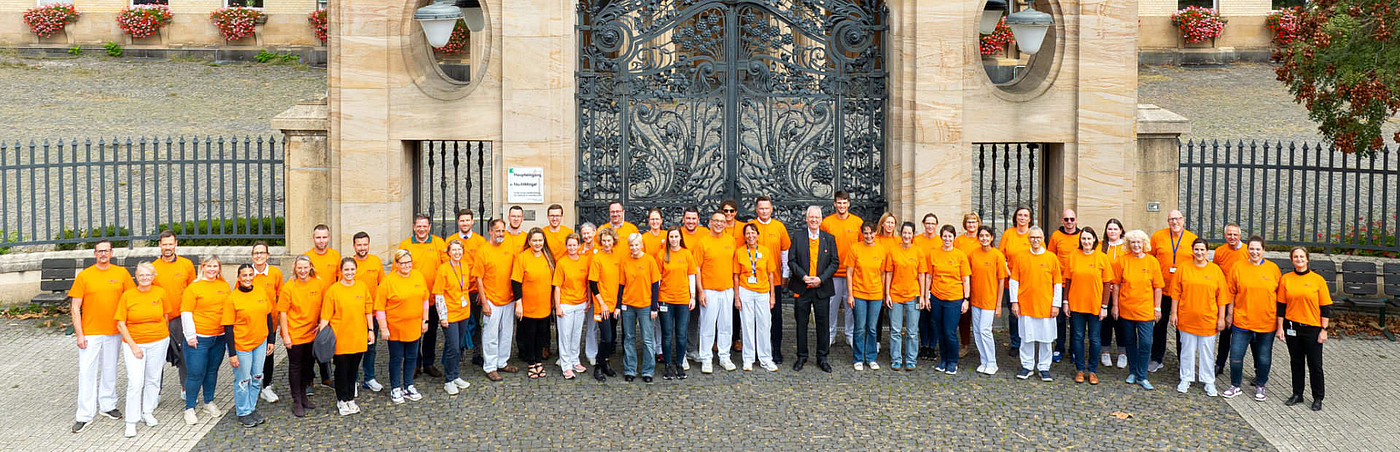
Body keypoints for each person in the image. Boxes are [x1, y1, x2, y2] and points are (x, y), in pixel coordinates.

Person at [69, 240, 136, 434]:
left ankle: (107, 405)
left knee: (110, 369)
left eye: (106, 251)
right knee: (86, 372)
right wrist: (79, 333)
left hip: (114, 331)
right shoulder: (84, 276)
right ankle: (84, 414)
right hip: (90, 332)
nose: (103, 254)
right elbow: (75, 307)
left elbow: (130, 300)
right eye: (100, 251)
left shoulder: (121, 273)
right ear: (94, 253)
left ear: (112, 252)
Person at [1222, 236, 1281, 401]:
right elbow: (1231, 293)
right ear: (1247, 250)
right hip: (1242, 321)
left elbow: (1279, 296)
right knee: (1235, 357)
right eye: (1251, 249)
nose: (1254, 252)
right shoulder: (1238, 267)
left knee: (1263, 358)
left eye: (1258, 249)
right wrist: (1229, 314)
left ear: (1263, 250)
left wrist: (1279, 322)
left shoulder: (1273, 269)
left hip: (1266, 322)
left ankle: (1261, 385)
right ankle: (1235, 385)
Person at [114, 262, 168, 438]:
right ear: (136, 277)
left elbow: (165, 316)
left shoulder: (160, 293)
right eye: (141, 275)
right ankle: (131, 421)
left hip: (159, 341)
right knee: (135, 382)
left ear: (153, 277)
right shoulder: (128, 296)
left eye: (148, 275)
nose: (145, 278)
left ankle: (147, 411)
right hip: (134, 344)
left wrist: (160, 336)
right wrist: (134, 346)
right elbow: (120, 323)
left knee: (153, 379)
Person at [1169, 238, 1228, 397]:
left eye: (1202, 250)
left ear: (1207, 251)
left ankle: (1208, 381)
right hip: (1187, 318)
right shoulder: (1183, 268)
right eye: (1196, 249)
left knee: (1207, 351)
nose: (1199, 253)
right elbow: (1175, 293)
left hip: (1208, 319)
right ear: (1192, 250)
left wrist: (1221, 318)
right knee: (1187, 351)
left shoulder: (1215, 270)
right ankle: (1186, 378)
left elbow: (1222, 297)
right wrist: (1174, 313)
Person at [1278, 247, 1332, 411]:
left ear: (1307, 259)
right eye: (1296, 257)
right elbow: (1281, 306)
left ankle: (1317, 397)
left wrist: (1324, 329)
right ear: (1291, 259)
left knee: (1315, 364)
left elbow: (1325, 308)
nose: (1299, 259)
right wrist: (1280, 328)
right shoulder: (1286, 279)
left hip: (1313, 328)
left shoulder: (1318, 280)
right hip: (1292, 327)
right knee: (1296, 362)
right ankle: (1297, 394)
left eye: (1302, 256)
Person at [320, 258, 375, 415]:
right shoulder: (333, 291)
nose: (349, 273)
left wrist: (370, 330)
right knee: (341, 371)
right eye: (346, 270)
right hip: (341, 338)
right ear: (341, 271)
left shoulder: (362, 287)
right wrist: (322, 339)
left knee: (353, 370)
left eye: (352, 269)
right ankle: (341, 400)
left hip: (358, 336)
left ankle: (350, 398)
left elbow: (367, 310)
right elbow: (326, 316)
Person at [221, 264, 274, 428]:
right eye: (244, 275)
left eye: (250, 275)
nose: (248, 278)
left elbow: (268, 316)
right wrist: (232, 353)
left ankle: (251, 408)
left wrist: (271, 339)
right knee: (243, 380)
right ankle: (243, 411)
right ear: (238, 278)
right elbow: (228, 327)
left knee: (257, 377)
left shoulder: (260, 292)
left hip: (260, 342)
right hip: (241, 346)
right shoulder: (232, 298)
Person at [179, 255, 230, 425]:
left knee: (212, 371)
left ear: (219, 268)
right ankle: (190, 407)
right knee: (195, 373)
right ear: (202, 267)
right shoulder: (194, 288)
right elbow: (186, 312)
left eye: (215, 266)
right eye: (208, 266)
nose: (212, 269)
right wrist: (190, 336)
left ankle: (209, 402)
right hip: (199, 339)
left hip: (219, 337)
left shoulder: (224, 285)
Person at [375, 249, 430, 404]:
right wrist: (384, 328)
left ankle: (408, 385)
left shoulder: (418, 275)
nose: (406, 266)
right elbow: (380, 307)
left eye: (409, 262)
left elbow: (424, 299)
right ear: (396, 264)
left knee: (412, 357)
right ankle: (395, 387)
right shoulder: (388, 281)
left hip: (414, 325)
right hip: (395, 328)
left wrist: (425, 320)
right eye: (403, 263)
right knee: (396, 358)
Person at [788, 206, 838, 373]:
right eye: (811, 217)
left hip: (821, 288)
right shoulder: (798, 237)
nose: (814, 220)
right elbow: (792, 260)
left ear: (821, 219)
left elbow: (834, 262)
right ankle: (802, 356)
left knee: (823, 324)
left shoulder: (829, 239)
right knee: (801, 324)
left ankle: (822, 357)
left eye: (817, 217)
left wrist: (821, 279)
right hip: (802, 287)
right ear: (806, 219)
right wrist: (803, 276)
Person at [1113, 230, 1165, 390]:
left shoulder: (1152, 262)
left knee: (1145, 342)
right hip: (1126, 309)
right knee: (1129, 342)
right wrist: (1115, 305)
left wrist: (1157, 308)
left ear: (1144, 244)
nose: (1136, 245)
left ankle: (1142, 375)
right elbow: (1116, 285)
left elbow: (1158, 287)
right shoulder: (1122, 261)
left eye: (1139, 242)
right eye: (1133, 242)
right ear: (1128, 244)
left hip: (1146, 311)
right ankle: (1133, 371)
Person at [1010, 227, 1062, 382]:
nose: (1035, 240)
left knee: (1046, 339)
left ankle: (1044, 367)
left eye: (1038, 237)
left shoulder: (1051, 258)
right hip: (1026, 305)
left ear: (1043, 238)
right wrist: (1014, 302)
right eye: (1032, 237)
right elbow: (1014, 282)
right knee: (1026, 338)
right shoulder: (1020, 257)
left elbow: (1057, 283)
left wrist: (1056, 304)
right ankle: (1027, 366)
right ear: (1028, 239)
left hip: (1046, 305)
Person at [400, 214, 447, 380]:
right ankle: (414, 364)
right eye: (418, 226)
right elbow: (397, 270)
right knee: (414, 333)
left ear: (429, 227)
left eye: (424, 226)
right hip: (413, 299)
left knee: (431, 332)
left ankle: (428, 363)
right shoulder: (406, 244)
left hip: (433, 298)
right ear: (414, 227)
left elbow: (445, 267)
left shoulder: (438, 243)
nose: (421, 229)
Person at [1149, 210, 1197, 372]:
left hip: (1183, 291)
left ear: (1183, 220)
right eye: (1171, 219)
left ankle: (1182, 361)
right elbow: (1151, 259)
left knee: (1181, 326)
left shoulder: (1191, 239)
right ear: (1167, 221)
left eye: (1177, 219)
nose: (1174, 222)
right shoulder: (1158, 236)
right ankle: (1157, 358)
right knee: (1159, 324)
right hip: (1161, 290)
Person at [150, 231, 196, 403]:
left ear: (176, 244)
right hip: (159, 319)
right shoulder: (153, 267)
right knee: (157, 356)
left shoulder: (186, 265)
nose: (168, 247)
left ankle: (185, 388)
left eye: (171, 244)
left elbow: (193, 291)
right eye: (164, 244)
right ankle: (156, 392)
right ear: (159, 245)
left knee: (185, 354)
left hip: (180, 318)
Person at [1064, 227, 1113, 385]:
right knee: (1077, 338)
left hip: (1095, 305)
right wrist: (1065, 302)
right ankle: (1079, 369)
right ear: (1080, 241)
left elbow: (1107, 284)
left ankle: (1092, 370)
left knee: (1094, 338)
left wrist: (1104, 306)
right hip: (1076, 304)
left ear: (1094, 240)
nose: (1086, 242)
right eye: (1083, 239)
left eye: (1089, 239)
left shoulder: (1101, 258)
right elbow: (1068, 281)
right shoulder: (1073, 256)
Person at [277, 255, 324, 417]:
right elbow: (282, 313)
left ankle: (304, 395)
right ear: (295, 269)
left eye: (305, 267)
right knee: (295, 367)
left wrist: (320, 324)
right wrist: (286, 336)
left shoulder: (318, 283)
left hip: (312, 334)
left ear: (310, 267)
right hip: (295, 334)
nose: (303, 271)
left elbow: (323, 305)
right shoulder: (289, 287)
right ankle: (296, 400)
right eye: (299, 268)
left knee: (308, 367)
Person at [748, 197, 792, 365]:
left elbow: (785, 252)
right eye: (761, 208)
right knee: (755, 319)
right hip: (754, 283)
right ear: (756, 210)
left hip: (774, 281)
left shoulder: (779, 227)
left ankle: (776, 349)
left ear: (772, 209)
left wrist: (785, 275)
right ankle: (757, 351)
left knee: (775, 318)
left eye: (767, 208)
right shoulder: (751, 227)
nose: (764, 211)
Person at [695, 210, 738, 374]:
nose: (719, 224)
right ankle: (706, 358)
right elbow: (697, 268)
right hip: (709, 290)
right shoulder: (703, 242)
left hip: (727, 289)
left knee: (726, 325)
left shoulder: (731, 241)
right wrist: (700, 291)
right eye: (716, 221)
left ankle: (724, 356)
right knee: (707, 326)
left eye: (722, 221)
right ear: (710, 222)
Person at [478, 219, 519, 381]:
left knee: (507, 334)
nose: (500, 234)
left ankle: (503, 361)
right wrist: (484, 302)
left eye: (503, 231)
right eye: (497, 231)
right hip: (492, 301)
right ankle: (490, 366)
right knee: (491, 335)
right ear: (490, 231)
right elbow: (479, 279)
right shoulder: (483, 250)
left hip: (508, 299)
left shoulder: (509, 247)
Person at [616, 233, 662, 381]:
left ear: (641, 245)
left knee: (647, 339)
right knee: (629, 338)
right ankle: (630, 369)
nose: (634, 248)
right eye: (631, 245)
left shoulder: (649, 260)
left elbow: (655, 284)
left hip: (645, 305)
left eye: (637, 245)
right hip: (628, 305)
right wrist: (619, 305)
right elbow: (621, 285)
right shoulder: (625, 261)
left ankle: (648, 370)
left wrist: (654, 306)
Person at [734, 224, 779, 372]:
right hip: (746, 290)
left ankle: (766, 358)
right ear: (744, 236)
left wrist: (772, 296)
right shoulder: (740, 252)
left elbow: (771, 274)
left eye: (753, 233)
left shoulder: (765, 251)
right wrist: (737, 297)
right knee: (747, 325)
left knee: (765, 325)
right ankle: (748, 358)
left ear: (758, 235)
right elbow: (736, 276)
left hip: (763, 291)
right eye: (747, 233)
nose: (750, 236)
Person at [821, 190, 863, 347]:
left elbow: (861, 246)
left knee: (850, 305)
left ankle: (849, 333)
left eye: (844, 203)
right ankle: (831, 334)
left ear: (849, 204)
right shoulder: (827, 223)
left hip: (852, 273)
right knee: (832, 305)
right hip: (833, 273)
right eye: (839, 202)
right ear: (834, 204)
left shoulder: (857, 222)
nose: (842, 205)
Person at [886, 222, 930, 372]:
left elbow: (922, 275)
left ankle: (911, 360)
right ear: (900, 233)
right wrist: (887, 294)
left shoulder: (918, 252)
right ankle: (896, 359)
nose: (906, 236)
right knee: (895, 330)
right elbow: (889, 273)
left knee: (912, 330)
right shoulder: (893, 251)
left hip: (915, 295)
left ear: (913, 235)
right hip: (896, 295)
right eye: (904, 233)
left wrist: (923, 296)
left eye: (909, 233)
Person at [926, 224, 970, 374]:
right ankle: (943, 359)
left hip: (954, 298)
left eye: (950, 236)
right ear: (941, 237)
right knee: (939, 330)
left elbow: (965, 279)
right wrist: (927, 295)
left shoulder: (960, 255)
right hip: (937, 297)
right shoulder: (934, 253)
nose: (947, 239)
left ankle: (953, 361)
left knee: (950, 331)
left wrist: (966, 299)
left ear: (954, 238)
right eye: (944, 236)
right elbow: (929, 276)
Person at [513, 228, 557, 379]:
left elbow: (553, 283)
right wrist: (518, 304)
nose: (538, 243)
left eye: (540, 240)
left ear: (544, 241)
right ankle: (531, 363)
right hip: (528, 305)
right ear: (529, 242)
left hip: (544, 305)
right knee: (529, 336)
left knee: (542, 335)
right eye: (535, 240)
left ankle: (539, 361)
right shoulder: (522, 257)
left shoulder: (548, 257)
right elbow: (516, 282)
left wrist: (552, 301)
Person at [433, 240, 475, 393]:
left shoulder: (464, 266)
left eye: (459, 250)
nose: (457, 253)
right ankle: (449, 379)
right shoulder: (443, 269)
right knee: (453, 347)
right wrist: (442, 316)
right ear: (449, 252)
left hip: (463, 313)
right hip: (449, 315)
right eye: (454, 250)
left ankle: (456, 374)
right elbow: (439, 294)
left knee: (459, 346)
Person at [447, 209, 487, 368]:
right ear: (458, 222)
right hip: (456, 291)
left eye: (467, 220)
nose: (465, 223)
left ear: (472, 222)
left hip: (474, 290)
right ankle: (459, 351)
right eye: (462, 220)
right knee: (458, 323)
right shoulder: (451, 240)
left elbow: (484, 267)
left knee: (477, 323)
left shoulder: (480, 241)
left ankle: (477, 353)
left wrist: (481, 290)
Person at [844, 222, 886, 371]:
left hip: (875, 294)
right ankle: (858, 357)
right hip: (859, 293)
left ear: (876, 233)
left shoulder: (881, 250)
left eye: (871, 233)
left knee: (872, 328)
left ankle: (871, 357)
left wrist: (883, 293)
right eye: (866, 233)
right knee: (860, 327)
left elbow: (882, 273)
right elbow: (849, 273)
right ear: (862, 234)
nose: (869, 236)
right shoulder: (855, 248)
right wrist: (850, 295)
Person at [657, 227, 698, 379]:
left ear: (680, 238)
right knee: (667, 334)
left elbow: (691, 275)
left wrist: (692, 296)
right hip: (666, 299)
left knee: (681, 334)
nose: (674, 239)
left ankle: (679, 364)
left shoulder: (686, 254)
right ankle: (668, 365)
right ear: (668, 239)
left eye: (676, 236)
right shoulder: (662, 254)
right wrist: (656, 299)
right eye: (671, 237)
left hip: (682, 300)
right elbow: (658, 278)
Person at [967, 225, 1008, 375]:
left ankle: (992, 362)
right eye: (981, 236)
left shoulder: (997, 255)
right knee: (977, 331)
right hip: (976, 299)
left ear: (991, 238)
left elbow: (1002, 281)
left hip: (990, 300)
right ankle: (984, 360)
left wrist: (998, 305)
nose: (984, 238)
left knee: (985, 331)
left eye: (987, 236)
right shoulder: (973, 254)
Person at [348, 233, 385, 393]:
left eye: (365, 244)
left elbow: (383, 285)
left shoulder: (376, 261)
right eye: (359, 245)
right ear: (354, 246)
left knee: (371, 347)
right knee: (354, 348)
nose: (362, 248)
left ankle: (369, 378)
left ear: (369, 245)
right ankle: (353, 380)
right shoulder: (349, 263)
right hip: (355, 314)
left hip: (373, 313)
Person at [588, 226, 625, 380]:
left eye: (609, 240)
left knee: (612, 336)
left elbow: (621, 282)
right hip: (601, 305)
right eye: (604, 241)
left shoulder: (618, 257)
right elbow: (593, 283)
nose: (606, 243)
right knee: (606, 337)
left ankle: (606, 363)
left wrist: (617, 305)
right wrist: (602, 303)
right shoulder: (597, 258)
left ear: (613, 241)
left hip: (614, 305)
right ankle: (598, 365)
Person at [249, 241, 284, 404]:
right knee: (251, 355)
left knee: (268, 355)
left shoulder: (275, 273)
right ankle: (251, 385)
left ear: (267, 255)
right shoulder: (247, 273)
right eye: (256, 253)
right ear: (252, 256)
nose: (259, 256)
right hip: (251, 323)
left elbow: (281, 296)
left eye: (262, 253)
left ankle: (267, 387)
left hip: (270, 322)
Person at [553, 233, 591, 379]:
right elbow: (557, 286)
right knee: (565, 335)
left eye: (574, 245)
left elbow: (587, 282)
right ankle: (566, 365)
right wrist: (558, 306)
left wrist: (588, 299)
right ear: (566, 246)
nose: (572, 248)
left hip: (580, 303)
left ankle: (575, 360)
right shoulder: (562, 262)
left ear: (578, 245)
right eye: (569, 245)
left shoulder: (584, 261)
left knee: (576, 334)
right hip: (566, 303)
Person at [1047, 209, 1082, 364]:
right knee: (1059, 319)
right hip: (1060, 283)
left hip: (1077, 284)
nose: (1069, 222)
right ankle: (1059, 347)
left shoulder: (1082, 236)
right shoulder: (1056, 236)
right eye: (1066, 219)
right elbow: (1050, 258)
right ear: (1062, 220)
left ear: (1076, 220)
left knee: (1075, 319)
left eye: (1072, 219)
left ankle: (1074, 349)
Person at [1212, 223, 1248, 376]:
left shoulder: (1247, 251)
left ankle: (1257, 369)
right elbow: (1214, 273)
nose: (1232, 237)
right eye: (1229, 234)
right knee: (1225, 333)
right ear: (1225, 235)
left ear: (1240, 235)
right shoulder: (1220, 251)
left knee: (1249, 335)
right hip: (1226, 298)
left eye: (1235, 234)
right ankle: (1220, 363)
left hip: (1244, 298)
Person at [999, 207, 1034, 356]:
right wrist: (1008, 271)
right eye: (1020, 215)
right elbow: (1000, 256)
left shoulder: (1033, 234)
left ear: (1030, 219)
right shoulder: (1008, 234)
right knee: (1014, 313)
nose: (1022, 218)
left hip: (1029, 282)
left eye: (1025, 215)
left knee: (1028, 312)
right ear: (1015, 217)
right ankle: (1015, 342)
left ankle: (1028, 340)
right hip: (1010, 281)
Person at [1099, 219, 1130, 370]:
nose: (1112, 232)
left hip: (1122, 291)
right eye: (1109, 229)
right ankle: (1105, 350)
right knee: (1106, 322)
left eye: (1115, 229)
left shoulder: (1126, 247)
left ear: (1121, 231)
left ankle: (1122, 352)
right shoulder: (1100, 246)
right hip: (1104, 291)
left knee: (1120, 322)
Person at [680, 208, 708, 367]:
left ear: (698, 219)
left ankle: (691, 348)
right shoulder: (678, 233)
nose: (690, 221)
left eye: (693, 219)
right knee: (682, 320)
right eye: (688, 218)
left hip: (699, 283)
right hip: (681, 284)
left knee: (694, 319)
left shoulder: (705, 233)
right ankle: (681, 351)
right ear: (683, 219)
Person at [914, 214, 942, 362]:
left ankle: (932, 346)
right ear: (923, 224)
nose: (930, 226)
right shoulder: (917, 240)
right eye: (928, 223)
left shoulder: (939, 241)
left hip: (935, 286)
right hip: (918, 286)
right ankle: (923, 345)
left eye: (933, 223)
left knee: (934, 318)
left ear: (936, 225)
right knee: (922, 317)